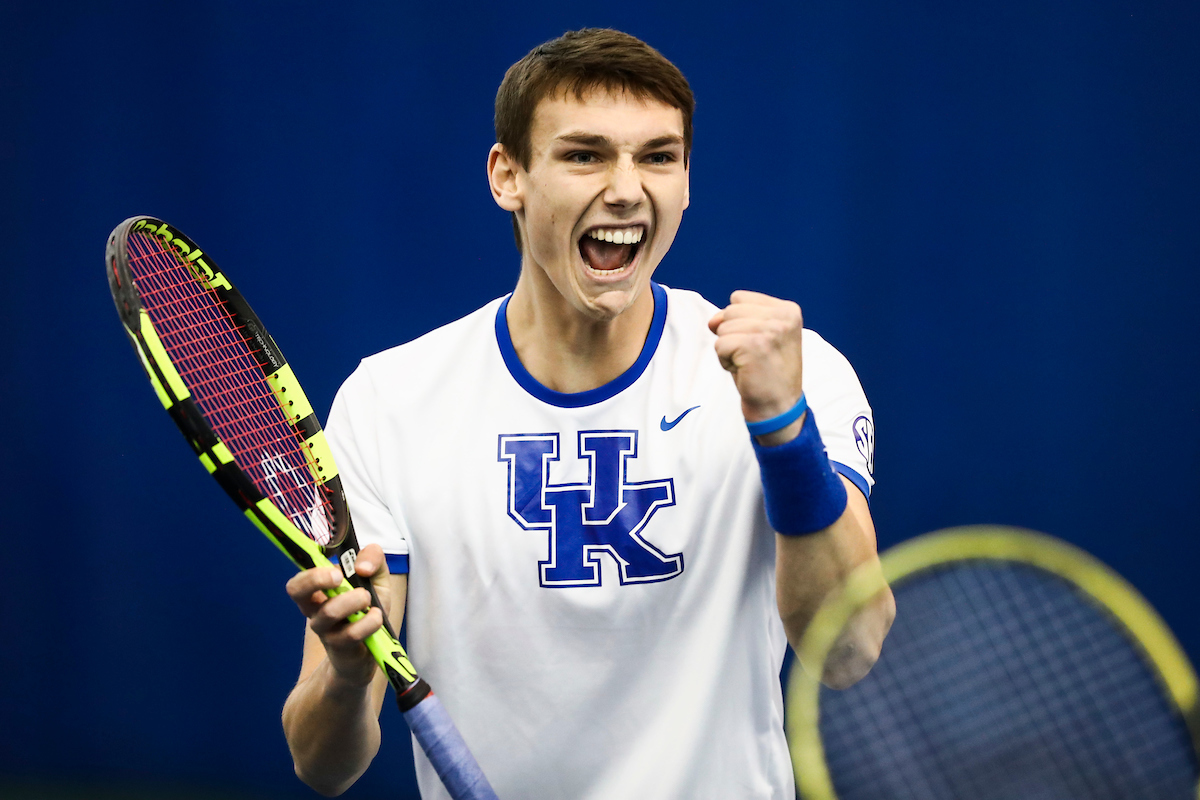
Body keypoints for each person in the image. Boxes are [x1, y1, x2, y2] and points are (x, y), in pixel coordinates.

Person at [281, 28, 895, 799]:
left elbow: (849, 653)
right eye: (585, 155)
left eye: (658, 157)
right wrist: (344, 673)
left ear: (687, 181)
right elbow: (323, 763)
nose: (627, 188)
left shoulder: (796, 374)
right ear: (509, 176)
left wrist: (781, 424)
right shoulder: (389, 401)